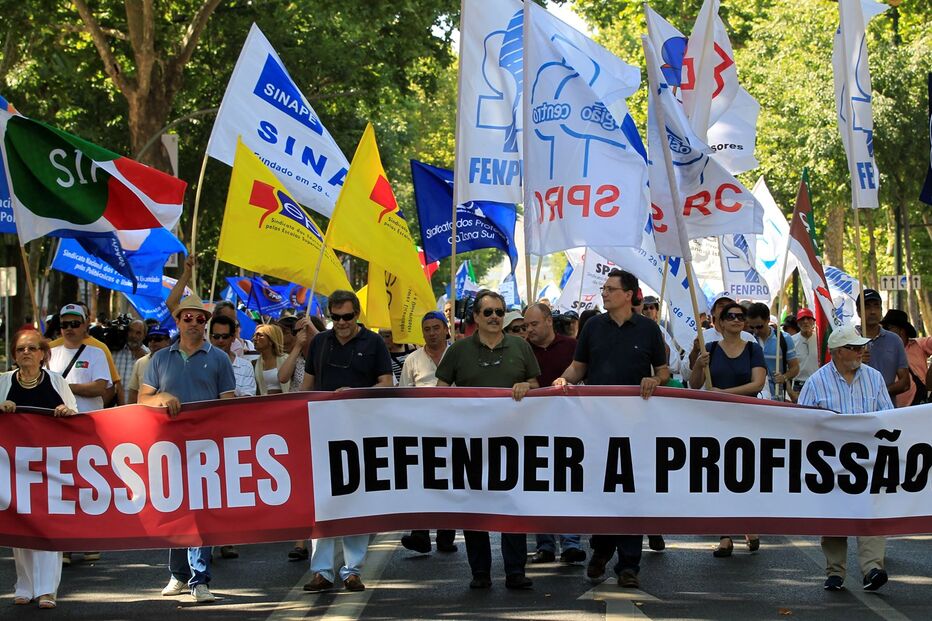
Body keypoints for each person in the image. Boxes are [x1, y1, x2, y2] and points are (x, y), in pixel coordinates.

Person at [553, 269, 669, 590]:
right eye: (603, 288)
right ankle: (602, 549)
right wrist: (563, 380)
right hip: (598, 425)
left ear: (628, 295)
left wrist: (654, 379)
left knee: (631, 493)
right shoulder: (592, 327)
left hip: (637, 426)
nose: (603, 293)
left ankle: (629, 564)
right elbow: (579, 367)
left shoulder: (649, 329)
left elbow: (663, 370)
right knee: (603, 490)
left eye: (610, 288)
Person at [435, 289, 541, 590]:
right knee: (475, 506)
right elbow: (440, 391)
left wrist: (527, 386)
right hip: (471, 442)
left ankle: (515, 570)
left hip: (513, 440)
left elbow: (536, 385)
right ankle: (480, 572)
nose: (495, 317)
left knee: (513, 504)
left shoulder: (520, 346)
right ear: (476, 317)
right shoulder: (458, 350)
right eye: (488, 312)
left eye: (499, 312)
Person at [139, 296, 236, 604]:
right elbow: (143, 399)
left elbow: (228, 404)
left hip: (207, 447)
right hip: (170, 447)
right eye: (188, 318)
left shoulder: (219, 358)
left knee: (201, 513)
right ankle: (179, 574)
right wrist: (162, 397)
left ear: (206, 323)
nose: (194, 323)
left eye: (200, 319)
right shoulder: (159, 359)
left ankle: (200, 579)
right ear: (178, 321)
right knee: (176, 510)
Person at [300, 290, 393, 593]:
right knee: (323, 501)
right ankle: (321, 571)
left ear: (357, 315)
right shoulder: (319, 343)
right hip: (323, 431)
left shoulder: (374, 343)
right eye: (336, 317)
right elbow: (307, 385)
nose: (341, 323)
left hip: (360, 432)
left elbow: (386, 383)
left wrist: (356, 394)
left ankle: (352, 570)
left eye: (347, 317)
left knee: (355, 499)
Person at [798, 324, 894, 592]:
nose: (861, 351)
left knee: (871, 513)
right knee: (834, 516)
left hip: (869, 460)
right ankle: (835, 571)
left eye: (862, 346)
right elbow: (800, 420)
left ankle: (873, 569)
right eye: (854, 347)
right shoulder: (816, 381)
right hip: (830, 463)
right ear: (838, 352)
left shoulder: (874, 378)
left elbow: (888, 415)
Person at [1, 329, 78, 609]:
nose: (26, 353)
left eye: (32, 348)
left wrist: (66, 413)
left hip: (51, 466)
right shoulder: (3, 382)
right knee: (20, 526)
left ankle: (47, 590)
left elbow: (77, 417)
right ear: (14, 355)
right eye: (21, 349)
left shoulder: (57, 382)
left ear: (43, 354)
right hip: (14, 469)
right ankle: (24, 586)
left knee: (48, 526)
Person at [690, 302, 766, 558]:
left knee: (746, 475)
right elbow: (695, 384)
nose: (736, 319)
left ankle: (748, 523)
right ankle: (725, 534)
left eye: (740, 316)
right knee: (720, 475)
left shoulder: (753, 349)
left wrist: (724, 393)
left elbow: (757, 383)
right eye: (730, 316)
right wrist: (699, 365)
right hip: (717, 422)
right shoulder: (710, 349)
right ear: (720, 323)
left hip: (747, 419)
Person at [522, 303, 586, 564]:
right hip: (534, 426)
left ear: (548, 321)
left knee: (567, 482)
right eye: (526, 325)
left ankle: (570, 543)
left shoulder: (572, 347)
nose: (529, 330)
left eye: (534, 324)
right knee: (539, 484)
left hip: (568, 426)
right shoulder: (522, 350)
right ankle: (545, 545)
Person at [398, 311, 458, 555]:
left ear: (446, 329)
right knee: (421, 481)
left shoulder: (459, 354)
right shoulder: (412, 360)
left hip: (455, 428)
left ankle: (446, 536)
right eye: (427, 329)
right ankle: (420, 534)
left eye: (436, 328)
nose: (432, 333)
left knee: (450, 482)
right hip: (421, 430)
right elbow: (403, 395)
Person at [856, 288, 909, 402]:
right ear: (858, 311)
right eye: (867, 307)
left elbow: (905, 383)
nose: (873, 311)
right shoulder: (848, 339)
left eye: (876, 306)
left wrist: (880, 393)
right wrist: (855, 363)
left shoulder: (895, 340)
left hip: (887, 409)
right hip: (856, 408)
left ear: (881, 310)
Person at [746, 302, 799, 400]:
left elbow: (795, 367)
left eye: (759, 327)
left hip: (776, 398)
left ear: (768, 320)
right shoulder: (747, 339)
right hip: (752, 398)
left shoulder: (784, 339)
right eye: (752, 327)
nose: (756, 331)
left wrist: (784, 377)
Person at [881, 309, 932, 407]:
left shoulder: (919, 345)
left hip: (921, 403)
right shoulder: (881, 351)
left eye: (889, 327)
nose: (885, 331)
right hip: (896, 408)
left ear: (901, 330)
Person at [209, 315, 256, 399]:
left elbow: (248, 399)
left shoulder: (246, 366)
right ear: (210, 338)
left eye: (225, 336)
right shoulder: (202, 363)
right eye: (216, 336)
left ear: (233, 338)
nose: (220, 340)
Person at [127, 326, 171, 404]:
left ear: (168, 341)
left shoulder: (177, 361)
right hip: (146, 409)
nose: (153, 342)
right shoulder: (140, 362)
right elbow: (133, 394)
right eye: (150, 339)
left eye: (158, 339)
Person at [113, 319, 148, 404]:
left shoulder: (149, 357)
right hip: (114, 407)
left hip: (137, 407)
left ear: (144, 336)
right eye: (131, 331)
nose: (133, 336)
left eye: (138, 333)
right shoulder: (115, 353)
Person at [790, 309, 820, 400]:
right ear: (798, 323)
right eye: (802, 319)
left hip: (817, 384)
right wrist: (790, 392)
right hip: (798, 386)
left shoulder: (820, 340)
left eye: (808, 318)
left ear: (813, 321)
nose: (805, 321)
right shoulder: (791, 341)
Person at [253, 323, 290, 394]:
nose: (254, 339)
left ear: (271, 340)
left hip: (286, 399)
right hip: (264, 400)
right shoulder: (254, 364)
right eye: (254, 336)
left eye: (260, 335)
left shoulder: (286, 359)